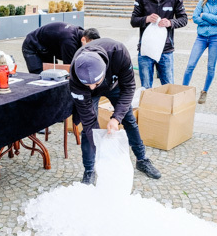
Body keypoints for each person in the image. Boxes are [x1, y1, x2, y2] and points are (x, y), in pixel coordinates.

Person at [69, 38, 161, 185]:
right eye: (88, 84)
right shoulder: (75, 76)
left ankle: (142, 159)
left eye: (96, 83)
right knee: (88, 131)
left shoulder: (119, 53)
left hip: (115, 85)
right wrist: (103, 149)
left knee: (129, 119)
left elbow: (129, 88)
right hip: (86, 94)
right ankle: (89, 170)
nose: (92, 87)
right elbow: (88, 119)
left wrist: (116, 118)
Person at [131, 0, 188, 89]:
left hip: (166, 49)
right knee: (146, 88)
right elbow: (133, 20)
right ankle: (148, 108)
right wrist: (146, 19)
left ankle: (166, 109)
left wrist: (170, 22)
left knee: (168, 87)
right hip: (146, 49)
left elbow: (184, 19)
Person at [22, 22, 100, 74]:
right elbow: (69, 67)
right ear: (83, 39)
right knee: (38, 75)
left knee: (51, 73)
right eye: (89, 46)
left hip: (46, 48)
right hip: (32, 45)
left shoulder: (81, 33)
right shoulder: (69, 42)